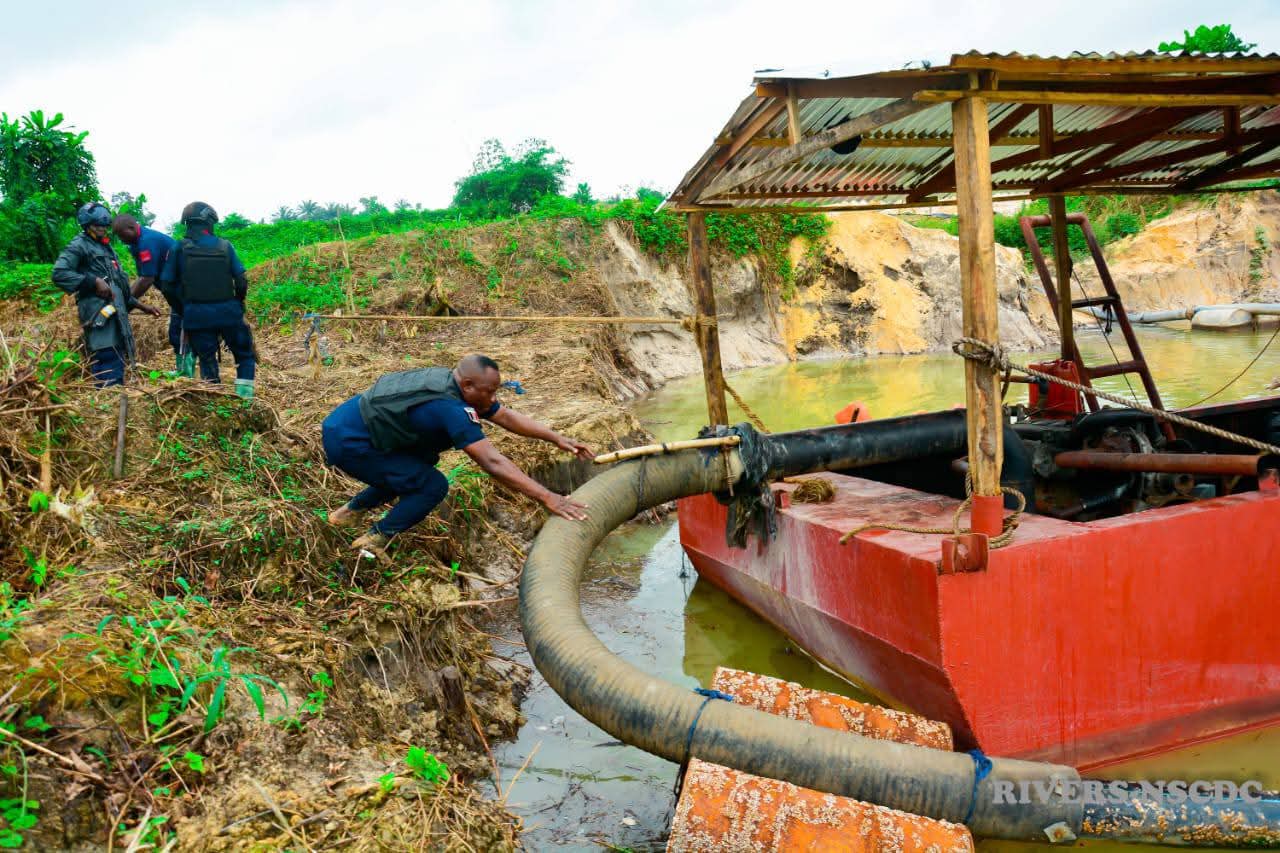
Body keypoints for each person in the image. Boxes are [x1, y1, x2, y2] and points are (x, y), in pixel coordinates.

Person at [322, 354, 593, 554]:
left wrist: (557, 438)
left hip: (349, 425)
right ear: (468, 385)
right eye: (490, 392)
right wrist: (548, 497)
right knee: (432, 486)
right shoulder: (451, 408)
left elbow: (505, 416)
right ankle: (374, 540)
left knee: (421, 464)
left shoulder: (452, 383)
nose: (493, 399)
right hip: (350, 442)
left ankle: (347, 514)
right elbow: (492, 461)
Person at [51, 202, 161, 386]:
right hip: (97, 312)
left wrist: (143, 306)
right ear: (87, 226)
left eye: (104, 226)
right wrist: (93, 281)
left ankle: (113, 395)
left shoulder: (105, 247)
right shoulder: (79, 245)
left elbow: (117, 287)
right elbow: (59, 274)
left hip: (115, 313)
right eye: (97, 226)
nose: (102, 229)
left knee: (117, 354)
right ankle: (108, 396)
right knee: (107, 354)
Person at [160, 202, 257, 398]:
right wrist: (238, 303)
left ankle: (214, 398)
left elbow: (167, 286)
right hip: (229, 312)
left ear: (187, 223)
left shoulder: (178, 248)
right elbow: (241, 280)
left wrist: (184, 309)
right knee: (244, 355)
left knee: (206, 358)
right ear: (209, 222)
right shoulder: (225, 246)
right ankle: (245, 399)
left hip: (196, 315)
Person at [111, 213, 189, 375]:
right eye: (118, 236)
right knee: (177, 331)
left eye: (122, 235)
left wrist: (126, 303)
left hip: (184, 289)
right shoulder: (136, 243)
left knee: (181, 330)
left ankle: (187, 373)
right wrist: (129, 300)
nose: (121, 240)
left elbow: (147, 279)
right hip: (173, 290)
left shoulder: (147, 241)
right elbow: (142, 277)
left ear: (132, 228)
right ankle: (183, 370)